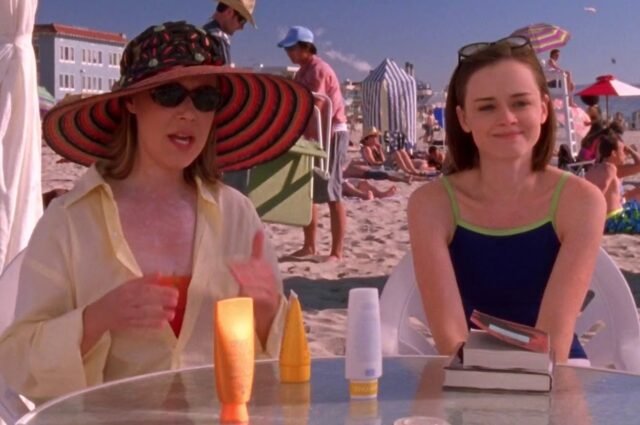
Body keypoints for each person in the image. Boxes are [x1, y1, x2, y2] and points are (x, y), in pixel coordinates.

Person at [0, 21, 314, 402]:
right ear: (131, 101)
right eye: (169, 93)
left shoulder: (238, 215)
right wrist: (96, 319)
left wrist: (265, 312)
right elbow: (16, 360)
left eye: (205, 99)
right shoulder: (69, 221)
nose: (189, 113)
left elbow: (281, 369)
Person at [407, 36, 606, 364]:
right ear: (464, 118)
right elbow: (450, 337)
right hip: (466, 366)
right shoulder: (431, 203)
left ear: (543, 109)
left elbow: (554, 342)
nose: (507, 118)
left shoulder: (580, 200)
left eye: (520, 103)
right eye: (487, 107)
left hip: (558, 368)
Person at [278, 26, 348, 261]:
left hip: (331, 133)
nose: (289, 53)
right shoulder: (301, 72)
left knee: (333, 192)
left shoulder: (319, 69)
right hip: (315, 135)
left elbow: (315, 107)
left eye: (292, 48)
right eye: (287, 49)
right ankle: (309, 246)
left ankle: (337, 252)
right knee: (308, 191)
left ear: (305, 47)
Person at [203, 0, 257, 193]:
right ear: (230, 12)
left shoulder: (204, 35)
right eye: (242, 20)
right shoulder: (216, 39)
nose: (241, 27)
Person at [585, 133, 640, 234]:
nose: (625, 154)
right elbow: (600, 190)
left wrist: (626, 149)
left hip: (610, 217)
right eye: (623, 150)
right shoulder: (610, 169)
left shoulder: (594, 169)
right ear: (614, 153)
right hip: (614, 219)